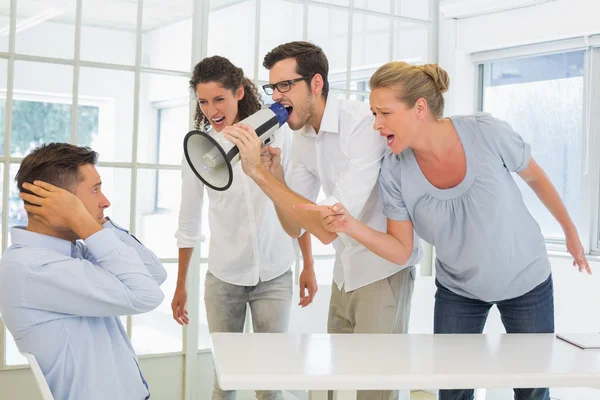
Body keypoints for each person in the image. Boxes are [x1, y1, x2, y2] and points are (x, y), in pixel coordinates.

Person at [298, 61, 592, 400]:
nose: (376, 125)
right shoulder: (394, 170)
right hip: (459, 290)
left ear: (419, 108)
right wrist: (350, 225)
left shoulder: (485, 132)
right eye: (373, 114)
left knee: (532, 390)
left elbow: (535, 177)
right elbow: (401, 249)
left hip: (526, 280)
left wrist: (569, 230)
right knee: (452, 392)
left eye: (384, 113)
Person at [222, 42, 422, 400]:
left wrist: (259, 176)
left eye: (286, 86)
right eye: (272, 87)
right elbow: (294, 226)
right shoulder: (302, 139)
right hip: (345, 273)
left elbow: (330, 225)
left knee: (374, 392)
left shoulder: (362, 125)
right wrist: (276, 177)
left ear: (316, 83)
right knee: (332, 383)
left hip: (383, 272)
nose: (276, 97)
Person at [171, 55, 312, 400]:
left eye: (219, 99)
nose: (211, 110)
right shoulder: (200, 151)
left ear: (238, 93)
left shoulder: (276, 133)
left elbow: (296, 202)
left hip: (275, 274)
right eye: (203, 102)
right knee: (226, 379)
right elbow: (188, 221)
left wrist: (308, 264)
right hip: (224, 278)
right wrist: (180, 286)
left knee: (270, 382)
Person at [0, 143, 167, 400]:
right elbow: (146, 295)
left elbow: (154, 274)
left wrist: (95, 226)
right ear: (58, 201)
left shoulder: (71, 251)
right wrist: (85, 223)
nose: (105, 201)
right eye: (95, 190)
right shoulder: (31, 268)